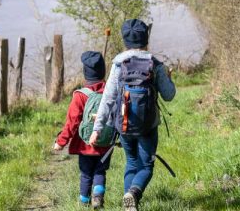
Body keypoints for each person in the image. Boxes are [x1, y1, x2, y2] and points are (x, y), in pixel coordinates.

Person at [89, 19, 176, 211]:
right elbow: (169, 95)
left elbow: (108, 98)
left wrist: (97, 129)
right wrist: (169, 79)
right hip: (148, 126)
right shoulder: (155, 63)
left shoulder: (119, 63)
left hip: (124, 123)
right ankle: (133, 194)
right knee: (146, 166)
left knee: (132, 162)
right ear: (146, 38)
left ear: (125, 40)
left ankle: (129, 203)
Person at [54, 51, 113, 208]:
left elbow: (72, 123)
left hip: (85, 145)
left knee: (86, 173)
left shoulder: (80, 96)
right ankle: (98, 196)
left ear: (85, 73)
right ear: (103, 71)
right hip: (105, 142)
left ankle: (84, 202)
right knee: (100, 171)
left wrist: (61, 142)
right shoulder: (109, 91)